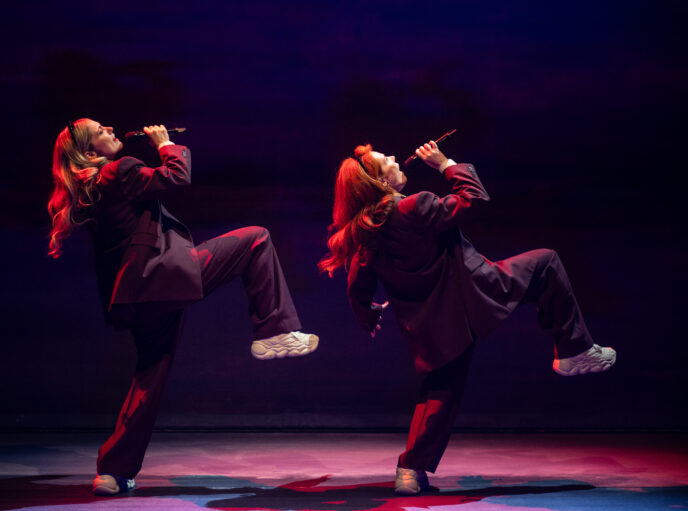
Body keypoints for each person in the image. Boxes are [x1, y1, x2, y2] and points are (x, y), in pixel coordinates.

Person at [318, 140, 615, 496]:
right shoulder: (415, 206)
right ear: (380, 182)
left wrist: (367, 315)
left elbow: (357, 285)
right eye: (388, 161)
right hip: (473, 291)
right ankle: (573, 350)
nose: (396, 158)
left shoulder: (367, 234)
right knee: (546, 263)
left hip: (430, 323)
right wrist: (445, 163)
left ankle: (410, 471)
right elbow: (474, 199)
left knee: (440, 391)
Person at [48, 119, 318, 496]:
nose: (111, 128)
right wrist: (164, 144)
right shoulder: (117, 170)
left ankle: (113, 471)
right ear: (90, 153)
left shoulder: (89, 189)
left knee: (148, 378)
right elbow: (176, 177)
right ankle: (274, 331)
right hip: (164, 277)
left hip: (138, 296)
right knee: (256, 238)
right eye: (101, 131)